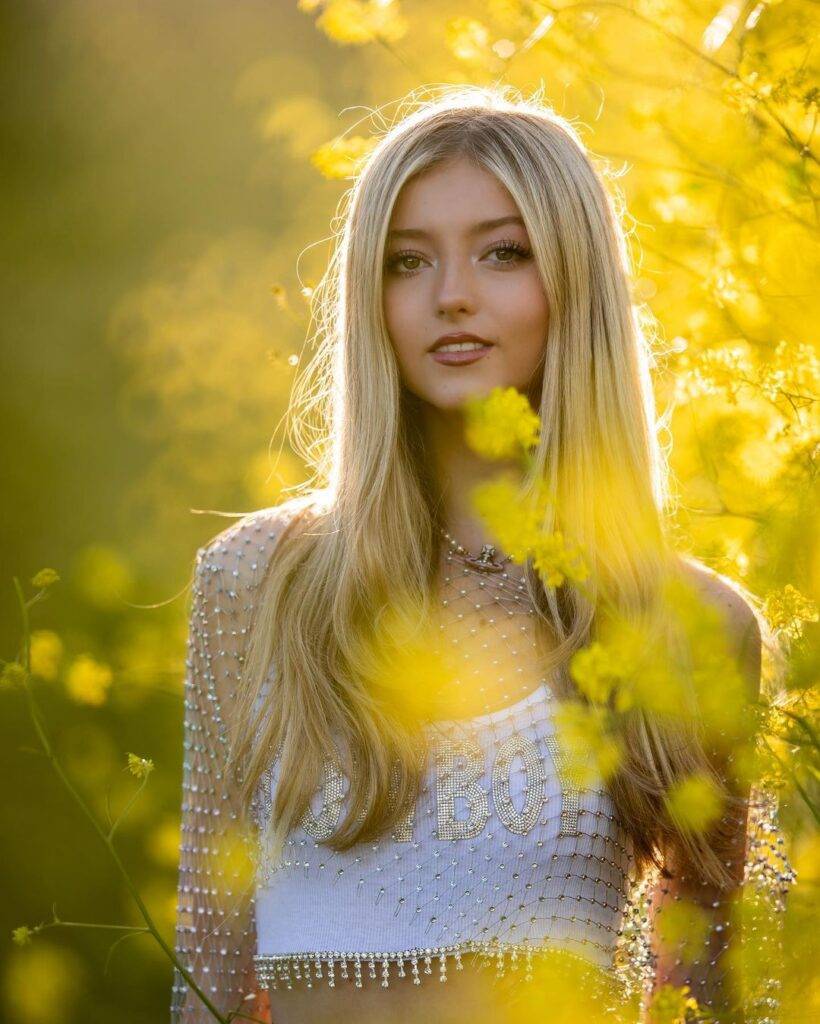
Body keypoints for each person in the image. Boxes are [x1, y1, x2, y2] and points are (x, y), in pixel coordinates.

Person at [169, 86, 791, 1024]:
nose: (450, 293)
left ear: (574, 282)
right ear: (370, 299)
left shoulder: (689, 626)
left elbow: (699, 998)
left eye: (503, 252)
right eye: (407, 261)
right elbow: (210, 980)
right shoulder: (257, 582)